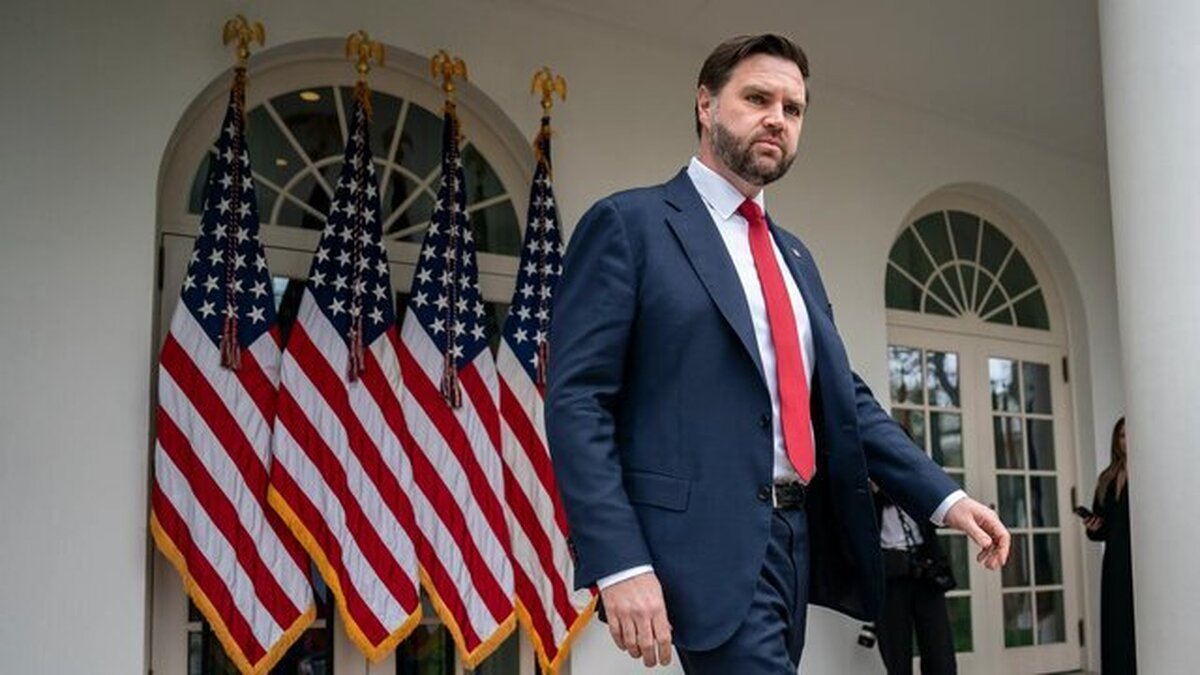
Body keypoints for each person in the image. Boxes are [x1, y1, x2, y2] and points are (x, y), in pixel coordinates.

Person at [546, 33, 1009, 674]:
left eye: (793, 109)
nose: (777, 119)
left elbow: (844, 402)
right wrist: (620, 561)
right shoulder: (630, 225)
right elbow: (578, 401)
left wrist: (945, 498)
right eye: (757, 98)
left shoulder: (796, 257)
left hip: (795, 540)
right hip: (699, 545)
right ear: (706, 104)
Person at [874, 485, 958, 675]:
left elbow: (937, 513)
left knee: (940, 652)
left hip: (925, 565)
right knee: (896, 652)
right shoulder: (867, 486)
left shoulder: (914, 482)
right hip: (889, 571)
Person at [1084, 417, 1136, 674]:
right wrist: (1093, 526)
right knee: (1114, 622)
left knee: (1133, 622)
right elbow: (1101, 531)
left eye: (1130, 434)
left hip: (1137, 559)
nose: (1127, 441)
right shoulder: (1106, 478)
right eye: (1122, 435)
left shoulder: (1145, 474)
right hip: (1114, 560)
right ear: (1116, 441)